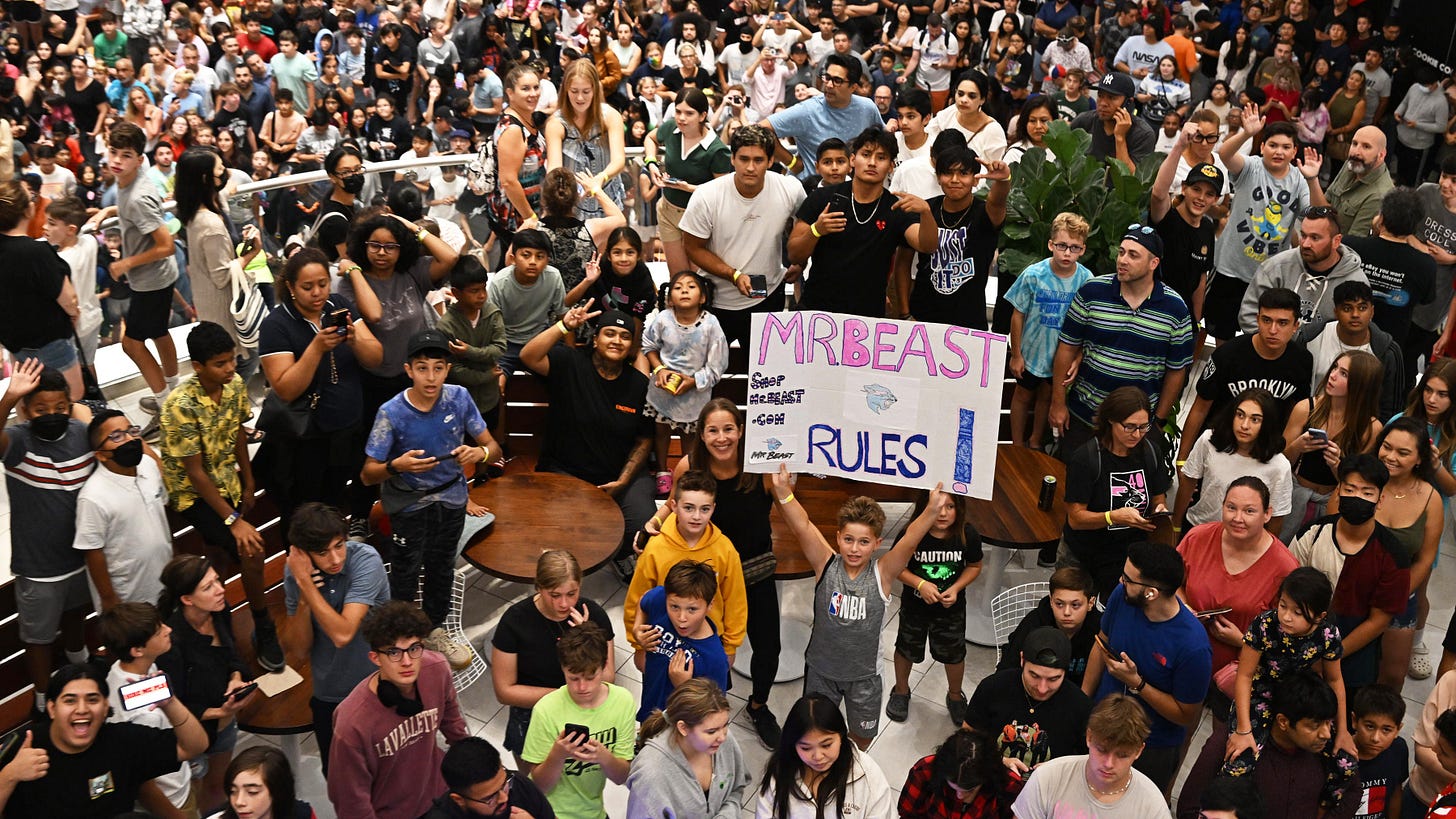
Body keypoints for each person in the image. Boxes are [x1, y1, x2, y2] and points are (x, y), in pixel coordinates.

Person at [771, 465, 945, 749]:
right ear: (838, 537)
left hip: (864, 677)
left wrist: (931, 511)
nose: (854, 549)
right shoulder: (825, 563)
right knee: (816, 732)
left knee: (862, 737)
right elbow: (802, 525)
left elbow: (910, 540)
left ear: (877, 543)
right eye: (849, 540)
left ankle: (849, 770)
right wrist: (783, 494)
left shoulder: (883, 573)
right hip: (821, 671)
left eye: (864, 542)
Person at [360, 328, 500, 669]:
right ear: (408, 370)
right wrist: (397, 465)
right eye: (422, 367)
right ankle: (403, 638)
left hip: (452, 499)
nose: (431, 376)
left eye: (438, 367)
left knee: (441, 567)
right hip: (409, 503)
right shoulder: (391, 413)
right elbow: (367, 474)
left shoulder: (459, 398)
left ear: (448, 369)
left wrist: (477, 453)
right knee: (406, 571)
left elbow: (493, 448)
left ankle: (434, 628)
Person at [160, 321, 284, 673]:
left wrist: (248, 483)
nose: (230, 368)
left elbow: (239, 436)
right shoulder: (179, 406)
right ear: (198, 367)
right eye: (220, 364)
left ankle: (219, 620)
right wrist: (234, 521)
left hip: (227, 483)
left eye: (232, 360)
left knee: (220, 557)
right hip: (193, 495)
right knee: (251, 548)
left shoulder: (234, 387)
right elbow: (195, 474)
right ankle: (262, 625)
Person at [660, 398, 784, 746]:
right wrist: (652, 525)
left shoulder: (760, 466)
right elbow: (673, 505)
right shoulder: (689, 465)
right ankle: (700, 705)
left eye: (728, 428)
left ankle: (758, 705)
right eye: (713, 430)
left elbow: (789, 501)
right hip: (707, 579)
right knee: (704, 649)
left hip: (756, 571)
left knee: (768, 647)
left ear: (741, 431)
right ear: (701, 434)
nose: (721, 437)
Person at [519, 305, 654, 580]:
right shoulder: (570, 362)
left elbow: (644, 440)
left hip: (618, 475)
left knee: (644, 523)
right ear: (595, 339)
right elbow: (528, 356)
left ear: (631, 346)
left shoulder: (638, 384)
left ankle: (620, 555)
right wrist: (563, 326)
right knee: (561, 526)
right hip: (565, 472)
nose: (616, 340)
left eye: (624, 336)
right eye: (609, 333)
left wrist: (624, 481)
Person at [255, 247, 385, 524]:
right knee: (304, 515)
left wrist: (355, 340)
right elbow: (285, 388)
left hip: (347, 429)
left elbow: (375, 358)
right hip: (305, 440)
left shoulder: (338, 305)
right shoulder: (276, 325)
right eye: (307, 287)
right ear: (290, 287)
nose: (317, 293)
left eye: (323, 284)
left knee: (335, 506)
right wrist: (316, 348)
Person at [1048, 227, 1194, 454]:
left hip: (1135, 430)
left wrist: (1159, 421)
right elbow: (1067, 348)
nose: (1123, 260)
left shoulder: (1175, 309)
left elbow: (1176, 371)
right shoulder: (1092, 292)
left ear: (1153, 263)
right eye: (1122, 252)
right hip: (1084, 418)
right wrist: (1058, 403)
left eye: (1133, 255)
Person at [1083, 542, 1212, 792]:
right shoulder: (1122, 597)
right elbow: (1101, 645)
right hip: (1101, 726)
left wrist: (1137, 684)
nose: (1121, 582)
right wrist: (1083, 702)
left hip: (1150, 747)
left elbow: (1186, 714)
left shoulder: (1193, 647)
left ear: (1151, 593)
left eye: (1128, 579)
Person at [0, 663, 210, 817]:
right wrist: (10, 775)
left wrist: (169, 703)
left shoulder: (122, 741)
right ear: (52, 708)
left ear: (105, 708)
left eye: (92, 700)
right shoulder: (22, 745)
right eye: (70, 700)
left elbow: (193, 747)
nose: (82, 709)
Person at [328, 601, 469, 819]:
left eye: (413, 649)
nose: (406, 662)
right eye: (394, 652)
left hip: (439, 793)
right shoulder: (351, 722)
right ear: (375, 658)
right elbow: (351, 800)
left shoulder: (437, 669)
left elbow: (454, 726)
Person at [279, 502, 391, 775]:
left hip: (381, 686)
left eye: (339, 545)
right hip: (330, 694)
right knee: (339, 777)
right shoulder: (296, 573)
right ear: (303, 555)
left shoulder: (365, 559)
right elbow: (298, 649)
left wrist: (306, 584)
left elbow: (342, 633)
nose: (335, 559)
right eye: (322, 552)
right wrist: (305, 601)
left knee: (387, 776)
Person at [1288, 454, 1411, 690]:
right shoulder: (1312, 534)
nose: (1357, 498)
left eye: (1367, 493)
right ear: (1339, 491)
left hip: (1353, 662)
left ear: (1380, 500)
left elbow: (1378, 621)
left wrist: (1330, 657)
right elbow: (1288, 587)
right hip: (1298, 649)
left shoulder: (1393, 556)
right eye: (1350, 489)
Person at [679, 124, 806, 351]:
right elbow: (692, 248)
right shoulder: (707, 195)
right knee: (706, 377)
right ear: (732, 159)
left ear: (770, 161)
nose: (750, 167)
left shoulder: (791, 189)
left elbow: (804, 228)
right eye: (743, 159)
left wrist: (799, 261)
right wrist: (733, 275)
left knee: (765, 380)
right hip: (715, 302)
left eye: (758, 160)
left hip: (768, 298)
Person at [789, 127, 936, 319]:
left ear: (891, 166)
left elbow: (927, 245)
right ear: (852, 160)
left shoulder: (896, 209)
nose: (872, 163)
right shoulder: (822, 198)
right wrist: (817, 230)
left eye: (881, 157)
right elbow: (794, 253)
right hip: (817, 310)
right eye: (866, 155)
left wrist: (926, 212)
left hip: (866, 319)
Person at [490, 550, 616, 769]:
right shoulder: (516, 621)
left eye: (572, 594)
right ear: (538, 587)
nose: (564, 604)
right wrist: (564, 695)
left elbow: (607, 677)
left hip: (582, 708)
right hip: (534, 712)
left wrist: (587, 639)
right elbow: (504, 691)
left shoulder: (593, 615)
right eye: (555, 595)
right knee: (535, 782)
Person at [1180, 671, 1362, 819]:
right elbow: (1189, 808)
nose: (1325, 734)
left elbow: (1353, 791)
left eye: (1328, 723)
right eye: (1314, 726)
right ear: (1283, 722)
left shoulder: (1330, 749)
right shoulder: (1234, 744)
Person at [94, 122, 181, 426]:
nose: (117, 160)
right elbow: (131, 209)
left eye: (126, 155)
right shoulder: (130, 181)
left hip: (151, 280)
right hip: (157, 277)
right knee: (158, 332)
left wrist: (125, 264)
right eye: (113, 152)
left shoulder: (138, 196)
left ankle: (167, 408)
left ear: (140, 159)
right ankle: (172, 392)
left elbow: (167, 245)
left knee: (132, 343)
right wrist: (107, 212)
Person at [155, 554, 257, 808]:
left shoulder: (220, 612)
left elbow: (233, 655)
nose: (220, 589)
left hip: (223, 723)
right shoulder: (171, 642)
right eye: (208, 587)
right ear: (187, 599)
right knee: (194, 793)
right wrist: (218, 711)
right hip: (193, 731)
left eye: (217, 581)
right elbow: (172, 702)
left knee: (219, 786)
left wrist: (235, 678)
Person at [1206, 109, 1310, 341]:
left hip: (1269, 274)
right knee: (1221, 330)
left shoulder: (1299, 179)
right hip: (1229, 267)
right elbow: (1224, 154)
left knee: (1260, 334)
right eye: (1273, 145)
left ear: (1294, 151)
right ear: (1262, 147)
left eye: (1285, 147)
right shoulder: (1251, 167)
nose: (1278, 151)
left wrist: (1312, 179)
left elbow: (1314, 214)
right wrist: (1246, 133)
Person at [1057, 387, 1170, 600]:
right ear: (1110, 421)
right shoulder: (1087, 458)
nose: (1137, 434)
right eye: (1129, 427)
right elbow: (1076, 518)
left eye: (1143, 427)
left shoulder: (1151, 452)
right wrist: (1113, 516)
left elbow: (1157, 495)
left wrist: (1159, 511)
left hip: (1126, 557)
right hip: (1085, 555)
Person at [1177, 288, 1312, 463]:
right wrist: (1182, 459)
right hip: (1219, 448)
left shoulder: (1302, 360)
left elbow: (1295, 415)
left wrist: (1283, 460)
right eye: (1266, 320)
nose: (1273, 330)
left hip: (1264, 454)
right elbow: (1200, 407)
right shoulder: (1228, 354)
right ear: (1257, 320)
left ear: (1295, 326)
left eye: (1282, 323)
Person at [887, 489, 984, 725]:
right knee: (905, 648)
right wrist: (920, 584)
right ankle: (901, 690)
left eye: (949, 507)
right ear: (924, 508)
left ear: (958, 509)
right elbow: (895, 567)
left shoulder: (967, 534)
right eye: (937, 506)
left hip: (951, 610)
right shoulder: (911, 534)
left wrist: (957, 587)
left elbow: (974, 565)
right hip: (915, 608)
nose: (943, 513)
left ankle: (954, 694)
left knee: (954, 654)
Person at [520, 623, 636, 818]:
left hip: (594, 811)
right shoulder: (546, 710)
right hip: (552, 813)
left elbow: (621, 777)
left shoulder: (622, 701)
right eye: (573, 678)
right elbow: (538, 787)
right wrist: (558, 754)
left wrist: (603, 756)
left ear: (604, 666)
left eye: (591, 677)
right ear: (563, 669)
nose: (582, 687)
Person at [1362, 418, 1443, 694]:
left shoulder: (1430, 498)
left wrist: (1395, 595)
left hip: (1398, 595)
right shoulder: (1360, 481)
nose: (1391, 457)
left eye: (1403, 453)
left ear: (1420, 459)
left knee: (1392, 677)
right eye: (1387, 447)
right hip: (1353, 588)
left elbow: (1425, 558)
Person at [99, 602, 200, 818]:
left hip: (180, 783)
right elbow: (142, 782)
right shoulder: (138, 715)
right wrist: (174, 815)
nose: (169, 629)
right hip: (171, 803)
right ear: (137, 650)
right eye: (158, 631)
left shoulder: (139, 668)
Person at [898, 138, 1011, 328]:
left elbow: (998, 201)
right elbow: (903, 262)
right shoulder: (924, 208)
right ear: (938, 177)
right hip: (922, 318)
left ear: (975, 179)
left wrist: (1003, 180)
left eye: (964, 173)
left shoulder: (985, 212)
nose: (955, 180)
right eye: (948, 173)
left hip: (969, 322)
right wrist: (904, 313)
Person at [1005, 212, 1094, 451]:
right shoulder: (1033, 274)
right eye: (1062, 246)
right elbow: (1018, 314)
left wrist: (1078, 357)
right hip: (1030, 353)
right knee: (1022, 396)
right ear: (1051, 244)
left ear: (1083, 249)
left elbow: (1089, 325)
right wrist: (1016, 354)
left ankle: (1035, 441)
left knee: (1047, 397)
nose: (1067, 253)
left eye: (1074, 248)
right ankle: (1016, 444)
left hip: (1059, 358)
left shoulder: (1087, 281)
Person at [74, 409, 170, 613]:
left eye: (131, 431)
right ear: (100, 454)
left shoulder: (148, 465)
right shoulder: (93, 497)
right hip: (129, 598)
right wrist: (109, 599)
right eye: (116, 436)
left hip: (166, 584)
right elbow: (93, 552)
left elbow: (160, 520)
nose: (129, 439)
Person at [1010, 695, 1168, 818]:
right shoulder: (1047, 778)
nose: (1108, 763)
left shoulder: (1152, 806)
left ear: (1139, 751)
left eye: (1122, 755)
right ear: (1089, 737)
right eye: (1102, 750)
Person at [642, 271, 729, 497]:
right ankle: (662, 472)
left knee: (690, 436)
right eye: (678, 287)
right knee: (660, 431)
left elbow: (717, 364)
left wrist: (694, 381)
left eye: (691, 286)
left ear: (702, 296)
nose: (684, 290)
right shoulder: (662, 319)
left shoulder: (711, 324)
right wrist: (659, 369)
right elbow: (649, 346)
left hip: (694, 395)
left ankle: (687, 474)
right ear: (670, 297)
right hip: (663, 390)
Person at [1341, 188, 1436, 390]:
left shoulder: (1350, 246)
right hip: (1387, 350)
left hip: (1343, 339)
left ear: (1381, 218)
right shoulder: (1425, 265)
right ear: (1414, 227)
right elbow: (1426, 299)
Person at [0, 180, 85, 400]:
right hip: (50, 342)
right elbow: (68, 301)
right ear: (27, 209)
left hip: (15, 343)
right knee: (71, 396)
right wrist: (74, 314)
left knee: (27, 401)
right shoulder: (37, 252)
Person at [964, 625, 1093, 771]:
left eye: (1053, 679)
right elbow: (966, 738)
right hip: (992, 774)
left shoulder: (1081, 707)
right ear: (1021, 660)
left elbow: (1090, 760)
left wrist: (1060, 769)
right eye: (1034, 676)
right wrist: (999, 760)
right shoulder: (993, 687)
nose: (1042, 688)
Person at [755, 693, 893, 819]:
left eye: (826, 745)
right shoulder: (778, 774)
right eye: (805, 748)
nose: (818, 756)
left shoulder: (867, 774)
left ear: (841, 736)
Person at [625, 678, 749, 818]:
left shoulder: (722, 740)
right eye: (711, 732)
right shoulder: (650, 775)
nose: (722, 737)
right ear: (683, 728)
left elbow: (736, 789)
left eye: (725, 725)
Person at [642, 88, 731, 282]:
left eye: (689, 113)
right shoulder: (670, 128)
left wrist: (688, 188)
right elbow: (650, 138)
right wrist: (651, 163)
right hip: (667, 211)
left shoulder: (717, 150)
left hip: (698, 217)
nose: (681, 118)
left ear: (703, 115)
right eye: (678, 111)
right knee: (678, 278)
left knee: (696, 279)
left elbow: (722, 191)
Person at [1173, 391, 1294, 533]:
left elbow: (1276, 518)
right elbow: (1188, 483)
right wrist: (1175, 527)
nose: (1244, 425)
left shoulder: (1279, 466)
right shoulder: (1209, 440)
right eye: (1240, 415)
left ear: (1267, 424)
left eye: (1255, 420)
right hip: (1199, 527)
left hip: (1244, 540)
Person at [1240, 205, 1368, 335]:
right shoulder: (1276, 267)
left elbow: (1356, 331)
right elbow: (1249, 316)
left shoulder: (1356, 282)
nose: (1306, 244)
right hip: (1273, 351)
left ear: (1336, 241)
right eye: (1303, 235)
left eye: (1315, 238)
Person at [1296, 281, 1405, 425]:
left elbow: (1390, 409)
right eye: (1347, 308)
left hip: (1360, 431)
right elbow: (1296, 390)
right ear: (1336, 312)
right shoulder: (1310, 337)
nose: (1355, 314)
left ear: (1372, 311)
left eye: (1362, 308)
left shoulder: (1387, 352)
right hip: (1310, 421)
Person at [760, 51, 884, 178]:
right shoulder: (807, 110)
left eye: (837, 81)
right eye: (827, 78)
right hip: (809, 187)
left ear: (853, 87)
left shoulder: (867, 108)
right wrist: (792, 163)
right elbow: (761, 129)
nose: (829, 85)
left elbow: (882, 139)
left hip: (850, 188)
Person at [1150, 128, 1221, 317]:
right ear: (1183, 188)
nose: (1201, 198)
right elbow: (1158, 193)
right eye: (1196, 189)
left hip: (1182, 316)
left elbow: (1201, 280)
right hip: (1152, 309)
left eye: (1209, 194)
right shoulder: (1166, 217)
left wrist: (1196, 323)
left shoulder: (1207, 228)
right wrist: (1180, 146)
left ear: (1215, 199)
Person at [545, 60, 626, 221]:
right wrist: (563, 190)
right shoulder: (556, 123)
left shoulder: (610, 116)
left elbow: (619, 159)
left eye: (586, 91)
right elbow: (554, 168)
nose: (580, 98)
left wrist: (600, 178)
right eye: (574, 91)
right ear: (566, 90)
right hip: (573, 201)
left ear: (595, 90)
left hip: (607, 195)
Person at [997, 567, 1102, 685]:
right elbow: (1008, 667)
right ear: (1051, 601)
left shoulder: (1101, 629)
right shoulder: (1034, 623)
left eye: (1075, 605)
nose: (1067, 612)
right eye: (1059, 604)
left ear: (1090, 603)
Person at [436, 256, 507, 431]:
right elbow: (452, 369)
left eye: (484, 288)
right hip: (459, 400)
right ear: (456, 293)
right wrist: (486, 376)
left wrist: (470, 351)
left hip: (490, 398)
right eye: (474, 291)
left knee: (487, 440)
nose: (482, 295)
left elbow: (499, 348)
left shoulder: (492, 313)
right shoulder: (446, 325)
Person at [420, 737, 555, 819]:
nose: (504, 798)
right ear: (459, 800)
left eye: (504, 785)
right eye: (490, 798)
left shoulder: (517, 783)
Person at [898, 729, 1018, 818]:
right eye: (952, 787)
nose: (960, 796)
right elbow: (907, 814)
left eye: (969, 789)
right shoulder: (924, 770)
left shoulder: (1010, 786)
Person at [488, 64, 547, 243]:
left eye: (536, 87)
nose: (533, 93)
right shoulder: (513, 129)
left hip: (527, 209)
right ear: (510, 93)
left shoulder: (526, 118)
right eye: (525, 88)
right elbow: (508, 181)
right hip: (516, 216)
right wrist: (530, 217)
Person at [1308, 126, 1395, 238]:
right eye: (1354, 144)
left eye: (1366, 147)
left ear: (1381, 155)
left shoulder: (1379, 195)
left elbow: (1352, 246)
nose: (1356, 152)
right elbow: (1322, 208)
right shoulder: (1353, 165)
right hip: (1323, 234)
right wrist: (1312, 179)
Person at [1068, 72, 1157, 171]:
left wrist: (1120, 138)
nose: (1103, 103)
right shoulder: (1084, 121)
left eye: (1112, 98)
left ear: (1128, 102)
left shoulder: (1143, 134)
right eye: (1100, 96)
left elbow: (1133, 181)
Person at [1347, 684, 1409, 819]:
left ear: (1398, 729)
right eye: (1369, 726)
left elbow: (1396, 792)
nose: (1375, 738)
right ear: (1354, 721)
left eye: (1386, 730)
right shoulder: (1339, 754)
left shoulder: (1398, 749)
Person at [215, 745, 317, 819]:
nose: (239, 802)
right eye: (233, 791)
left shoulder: (303, 814)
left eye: (252, 792)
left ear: (277, 791)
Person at [1407, 672, 1456, 819]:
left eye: (1444, 751)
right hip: (1422, 797)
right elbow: (1423, 751)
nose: (1434, 749)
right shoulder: (1451, 681)